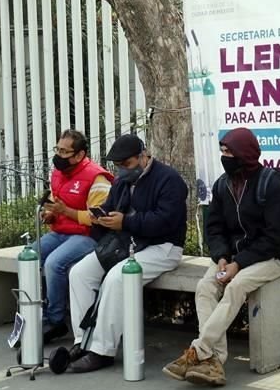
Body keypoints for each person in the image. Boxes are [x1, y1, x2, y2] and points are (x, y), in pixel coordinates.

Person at [162, 127, 280, 387]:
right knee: (204, 287)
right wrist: (221, 256)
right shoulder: (222, 184)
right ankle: (214, 361)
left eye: (229, 152)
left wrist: (238, 264)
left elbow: (274, 236)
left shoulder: (272, 183)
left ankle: (198, 352)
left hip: (271, 257)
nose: (224, 157)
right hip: (231, 258)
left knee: (236, 287)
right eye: (222, 151)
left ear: (245, 153)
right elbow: (214, 227)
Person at [62, 133, 189, 373]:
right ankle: (84, 341)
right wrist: (101, 217)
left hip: (162, 247)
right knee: (79, 272)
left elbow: (166, 221)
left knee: (117, 277)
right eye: (118, 166)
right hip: (125, 243)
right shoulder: (121, 181)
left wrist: (126, 223)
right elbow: (111, 208)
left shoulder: (169, 179)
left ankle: (102, 351)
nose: (122, 170)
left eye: (127, 164)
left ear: (143, 156)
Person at [39, 130, 113, 342]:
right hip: (60, 232)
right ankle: (35, 315)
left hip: (88, 236)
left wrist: (66, 212)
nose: (58, 155)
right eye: (57, 149)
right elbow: (56, 204)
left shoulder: (97, 177)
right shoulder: (58, 174)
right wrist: (50, 214)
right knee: (28, 256)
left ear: (79, 155)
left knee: (54, 263)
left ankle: (56, 321)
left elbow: (100, 217)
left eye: (64, 151)